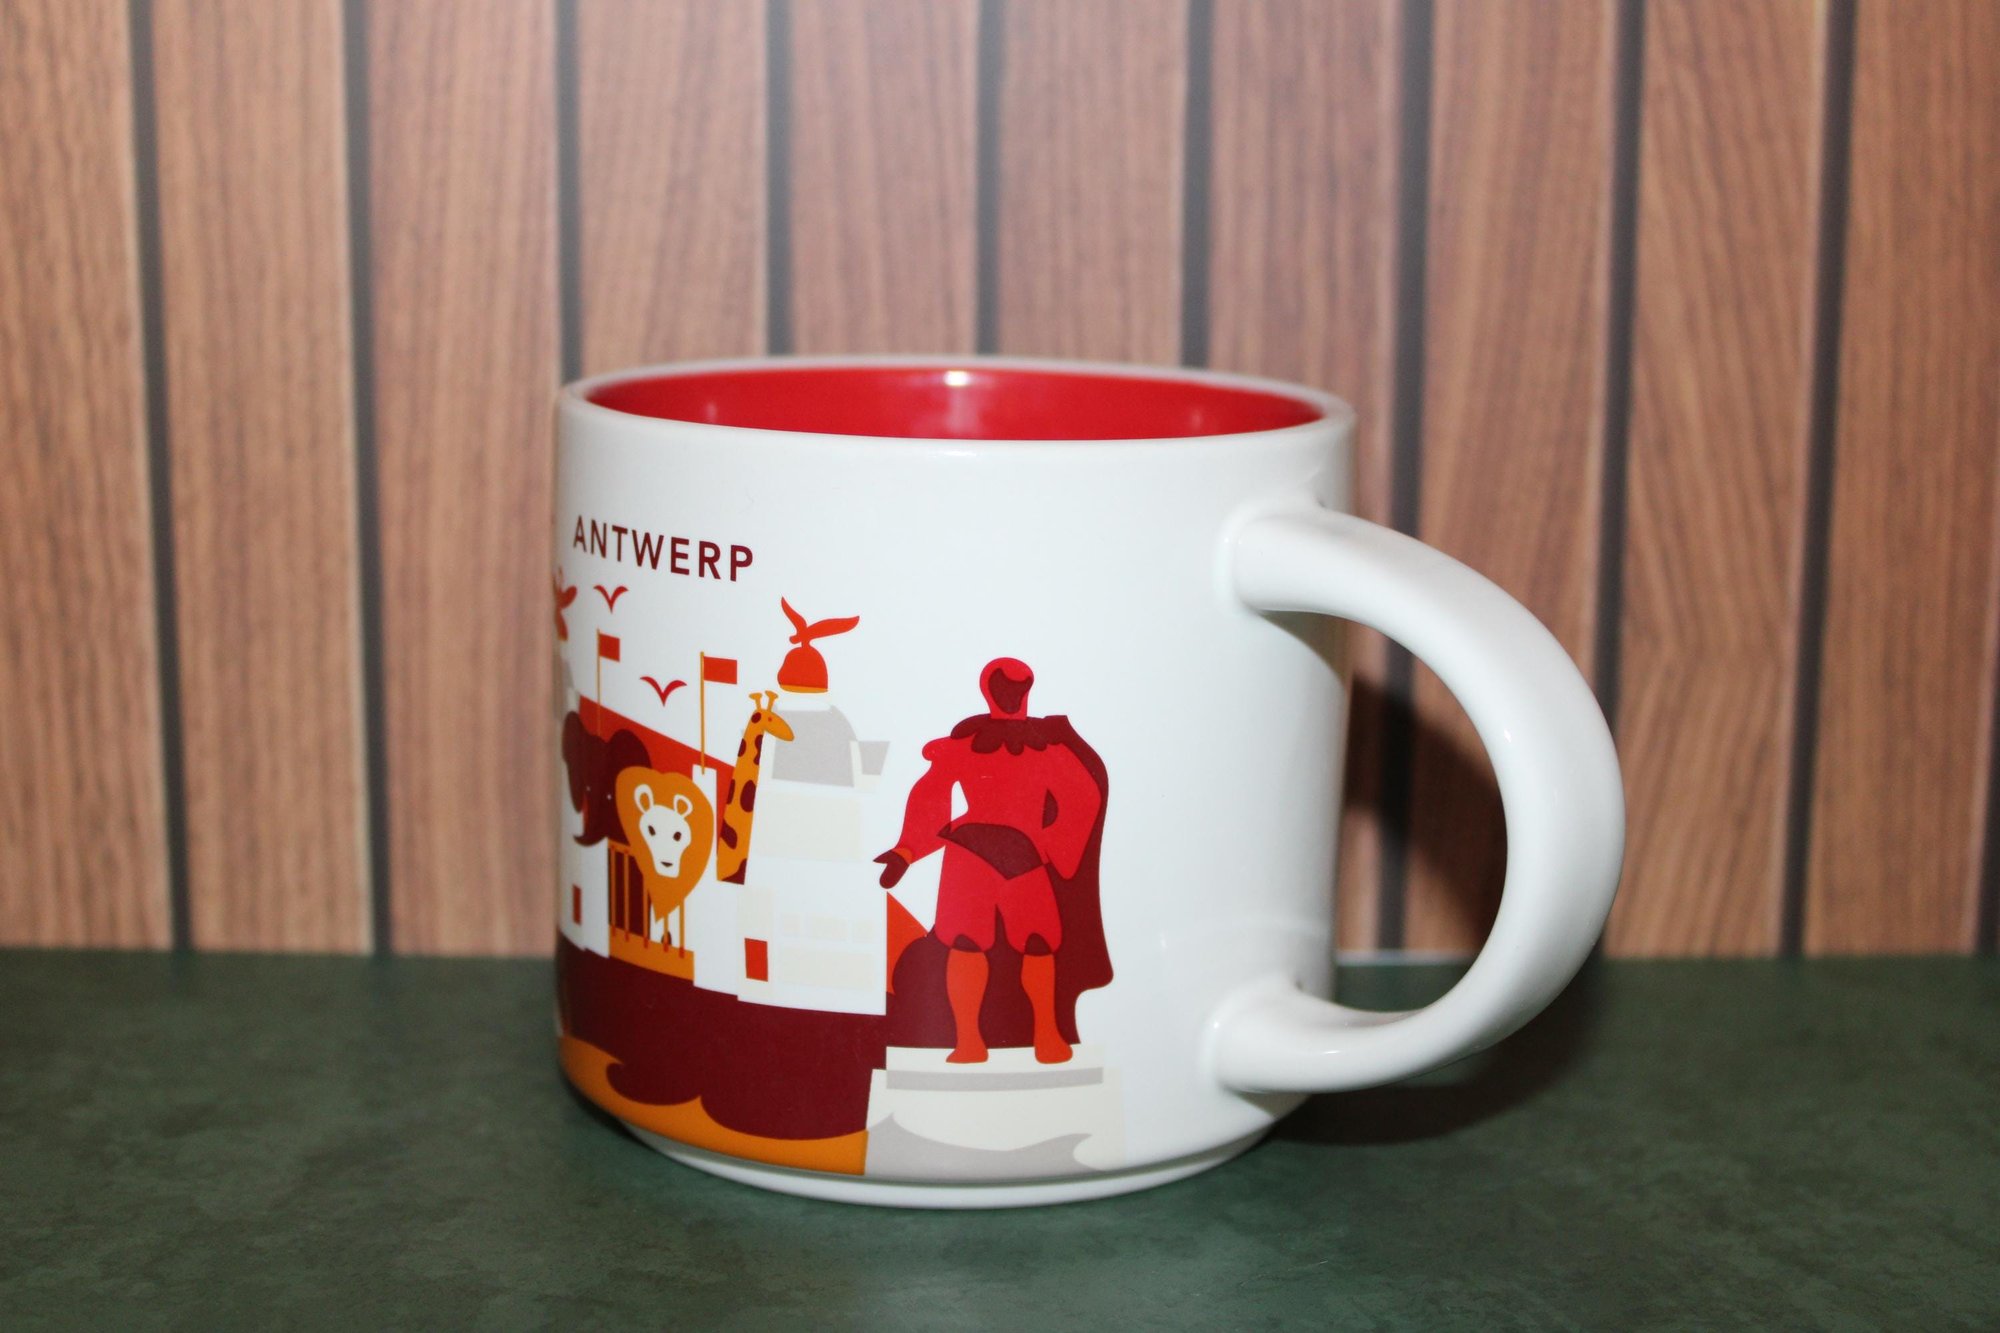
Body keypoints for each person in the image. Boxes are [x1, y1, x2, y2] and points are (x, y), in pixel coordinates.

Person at [875, 658, 1104, 1063]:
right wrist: (905, 851)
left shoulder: (1046, 749)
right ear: (990, 689)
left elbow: (1082, 798)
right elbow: (932, 797)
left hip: (1022, 858)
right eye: (1004, 686)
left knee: (1037, 943)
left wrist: (1055, 846)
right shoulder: (964, 746)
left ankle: (1047, 1034)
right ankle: (968, 1041)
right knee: (966, 944)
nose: (1009, 694)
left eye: (1016, 687)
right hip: (972, 859)